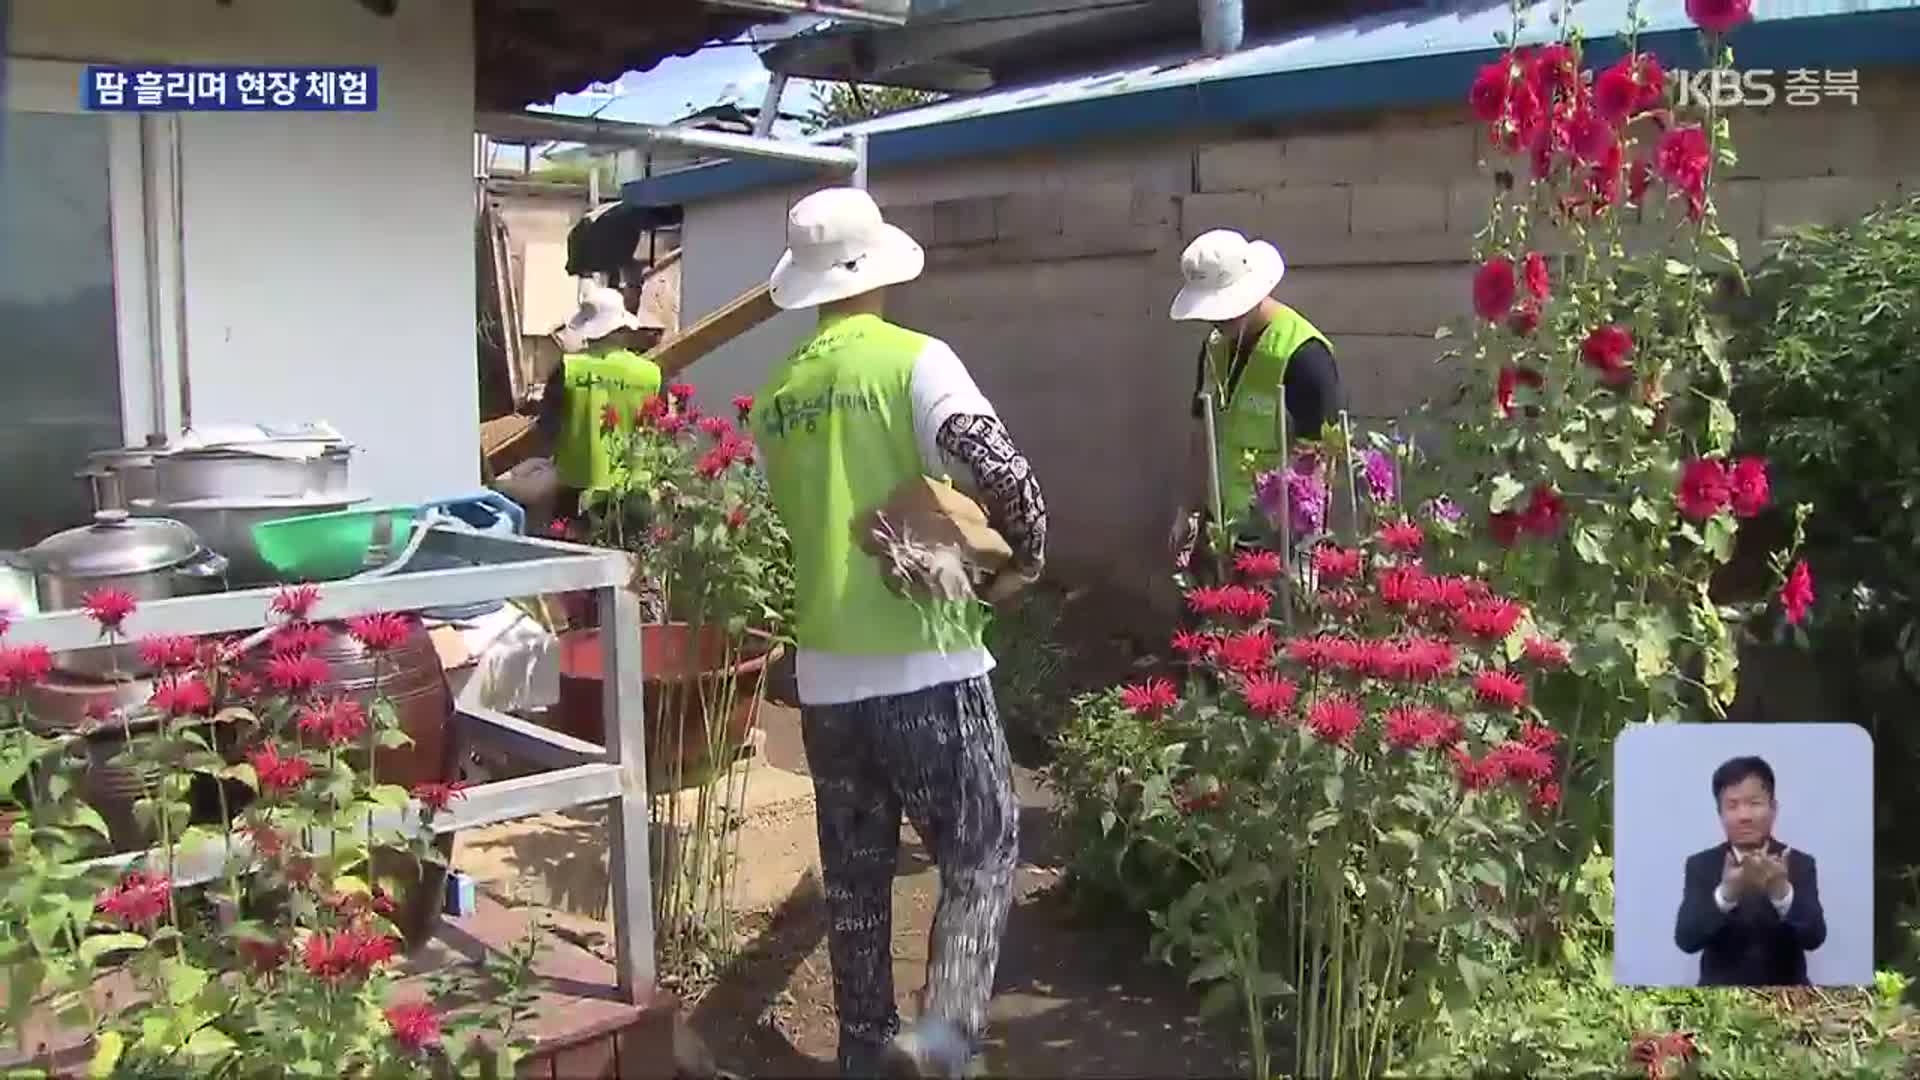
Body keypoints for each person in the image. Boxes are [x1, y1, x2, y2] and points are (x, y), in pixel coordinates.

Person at [747, 186, 1046, 1079]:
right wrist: (1022, 557)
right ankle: (944, 1041)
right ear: (879, 268)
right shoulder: (915, 361)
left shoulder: (776, 397)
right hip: (930, 663)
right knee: (983, 851)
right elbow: (1002, 468)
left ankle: (866, 1054)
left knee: (855, 883)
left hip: (829, 679)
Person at [1167, 228, 1342, 569]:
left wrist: (1298, 554)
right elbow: (1202, 433)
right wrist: (1188, 510)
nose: (1216, 321)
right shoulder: (1215, 347)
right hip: (1221, 531)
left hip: (1278, 542)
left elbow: (1319, 464)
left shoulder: (1304, 355)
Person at [1674, 755, 1827, 986]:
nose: (1744, 816)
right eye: (1732, 805)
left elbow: (1815, 937)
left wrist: (1782, 893)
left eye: (1754, 803)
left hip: (1788, 999)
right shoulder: (1701, 865)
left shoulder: (1799, 863)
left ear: (1773, 808)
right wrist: (1726, 894)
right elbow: (1686, 940)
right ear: (1720, 813)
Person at [533, 284, 665, 521]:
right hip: (633, 496)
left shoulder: (568, 370)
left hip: (576, 495)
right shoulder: (651, 375)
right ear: (623, 327)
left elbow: (547, 432)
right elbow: (662, 433)